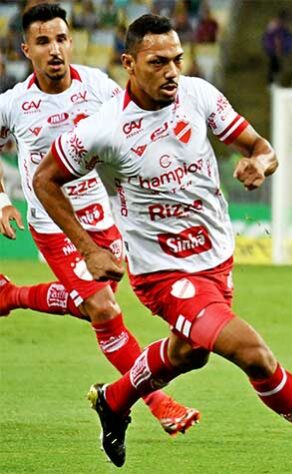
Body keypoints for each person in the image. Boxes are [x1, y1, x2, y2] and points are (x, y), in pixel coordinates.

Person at [32, 14, 292, 473]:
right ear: (129, 65)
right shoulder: (104, 128)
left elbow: (261, 147)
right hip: (162, 273)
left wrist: (261, 163)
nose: (172, 71)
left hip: (215, 260)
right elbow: (45, 180)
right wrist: (88, 249)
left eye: (177, 59)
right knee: (255, 355)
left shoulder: (198, 95)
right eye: (158, 62)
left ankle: (114, 401)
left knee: (189, 353)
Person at [0, 3, 198, 437]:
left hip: (103, 216)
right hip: (54, 225)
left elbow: (136, 125)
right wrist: (3, 201)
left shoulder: (98, 87)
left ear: (71, 42)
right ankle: (157, 402)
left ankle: (10, 296)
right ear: (25, 50)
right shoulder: (13, 105)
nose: (55, 50)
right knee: (104, 309)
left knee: (94, 305)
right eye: (43, 42)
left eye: (61, 39)